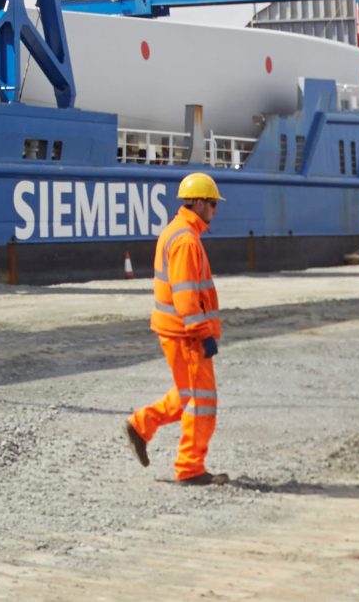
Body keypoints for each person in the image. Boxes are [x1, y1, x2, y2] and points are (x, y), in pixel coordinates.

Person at [122, 172, 228, 485]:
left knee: (188, 395)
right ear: (197, 203)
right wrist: (204, 334)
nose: (214, 210)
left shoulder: (179, 232)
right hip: (186, 334)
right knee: (202, 401)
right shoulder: (185, 240)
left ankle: (141, 425)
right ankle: (190, 468)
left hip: (176, 330)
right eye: (211, 204)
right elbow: (185, 298)